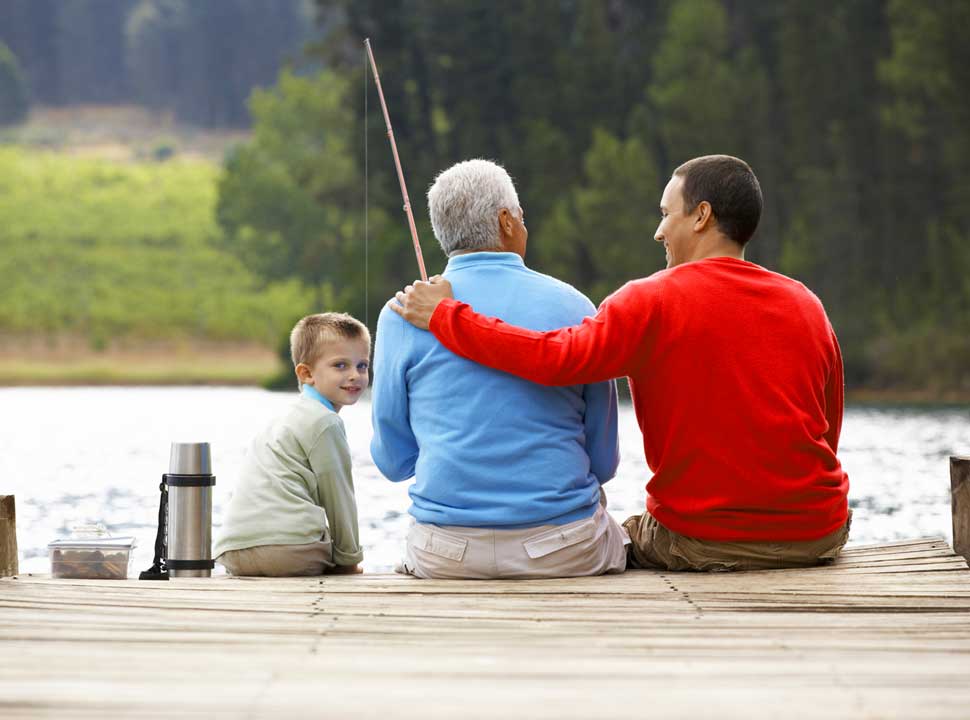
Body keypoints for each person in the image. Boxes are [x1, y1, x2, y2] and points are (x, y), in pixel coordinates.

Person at [390, 154, 851, 572]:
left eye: (666, 214)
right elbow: (827, 429)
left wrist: (447, 317)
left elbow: (557, 359)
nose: (658, 231)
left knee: (625, 537)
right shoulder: (805, 303)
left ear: (701, 216)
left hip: (704, 540)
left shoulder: (651, 301)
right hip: (818, 534)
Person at [371, 159, 629, 579]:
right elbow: (604, 462)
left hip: (446, 554)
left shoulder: (400, 314)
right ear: (506, 222)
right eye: (522, 217)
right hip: (563, 550)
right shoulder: (576, 307)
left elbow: (394, 462)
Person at [214, 313, 367, 576]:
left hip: (234, 551)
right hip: (290, 550)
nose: (354, 375)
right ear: (306, 373)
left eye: (362, 365)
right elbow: (339, 496)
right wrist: (349, 560)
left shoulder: (282, 420)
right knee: (329, 552)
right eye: (340, 366)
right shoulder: (325, 422)